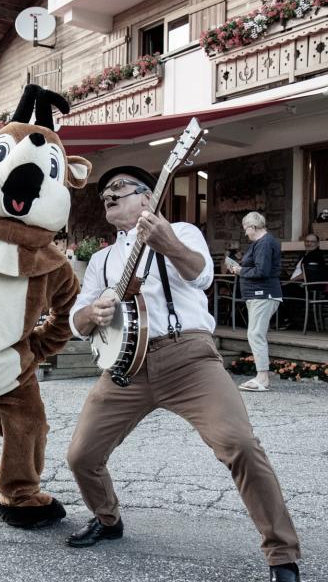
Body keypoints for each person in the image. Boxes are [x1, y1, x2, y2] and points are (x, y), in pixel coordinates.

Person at [64, 167, 301, 582]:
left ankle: (282, 555)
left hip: (188, 357)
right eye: (104, 191)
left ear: (147, 198)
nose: (108, 194)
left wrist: (166, 242)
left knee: (240, 444)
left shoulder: (182, 231)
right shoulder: (100, 259)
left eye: (119, 187)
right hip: (125, 369)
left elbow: (202, 275)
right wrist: (88, 315)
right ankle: (107, 518)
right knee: (81, 455)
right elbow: (75, 318)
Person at [229, 212, 282, 391]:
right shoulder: (262, 243)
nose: (246, 233)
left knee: (255, 334)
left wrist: (240, 271)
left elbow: (262, 271)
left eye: (246, 229)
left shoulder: (264, 243)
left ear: (252, 227)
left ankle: (263, 378)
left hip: (263, 294)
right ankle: (261, 376)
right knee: (256, 334)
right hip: (259, 295)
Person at [279, 233, 328, 328]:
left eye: (312, 241)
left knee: (280, 292)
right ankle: (284, 319)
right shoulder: (305, 254)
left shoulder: (316, 255)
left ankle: (287, 320)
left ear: (318, 244)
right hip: (296, 284)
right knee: (274, 289)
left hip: (305, 287)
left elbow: (307, 274)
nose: (309, 243)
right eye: (307, 241)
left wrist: (289, 282)